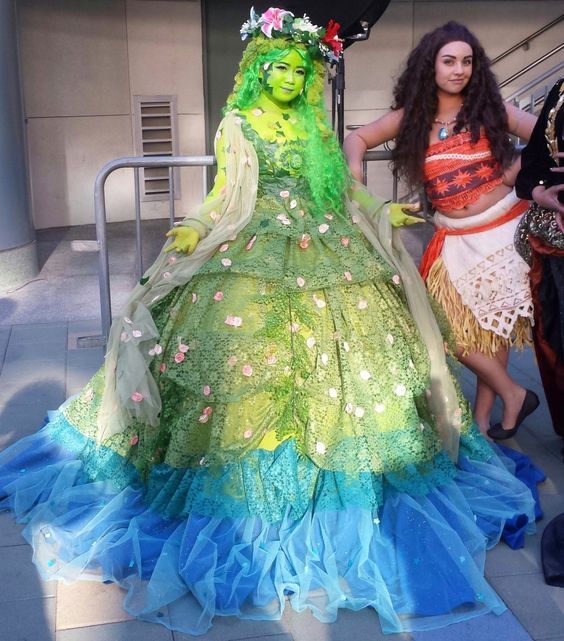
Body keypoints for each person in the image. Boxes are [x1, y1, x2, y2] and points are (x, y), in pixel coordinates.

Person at [0, 8, 542, 637]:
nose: (288, 78)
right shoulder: (237, 123)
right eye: (278, 67)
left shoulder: (314, 120)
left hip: (327, 243)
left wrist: (377, 209)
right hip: (252, 244)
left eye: (298, 69)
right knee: (233, 358)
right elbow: (221, 191)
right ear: (259, 69)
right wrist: (197, 228)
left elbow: (340, 186)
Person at [343, 21, 540, 441]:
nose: (459, 70)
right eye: (449, 61)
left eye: (467, 61)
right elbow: (357, 137)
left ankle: (486, 425)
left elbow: (546, 133)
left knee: (491, 329)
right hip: (453, 236)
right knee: (444, 330)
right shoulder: (413, 117)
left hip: (503, 232)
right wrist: (355, 169)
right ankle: (513, 393)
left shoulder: (489, 109)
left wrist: (512, 174)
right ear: (429, 66)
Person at [515, 78, 564, 438]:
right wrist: (540, 193)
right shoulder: (560, 90)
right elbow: (530, 166)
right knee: (556, 336)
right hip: (554, 242)